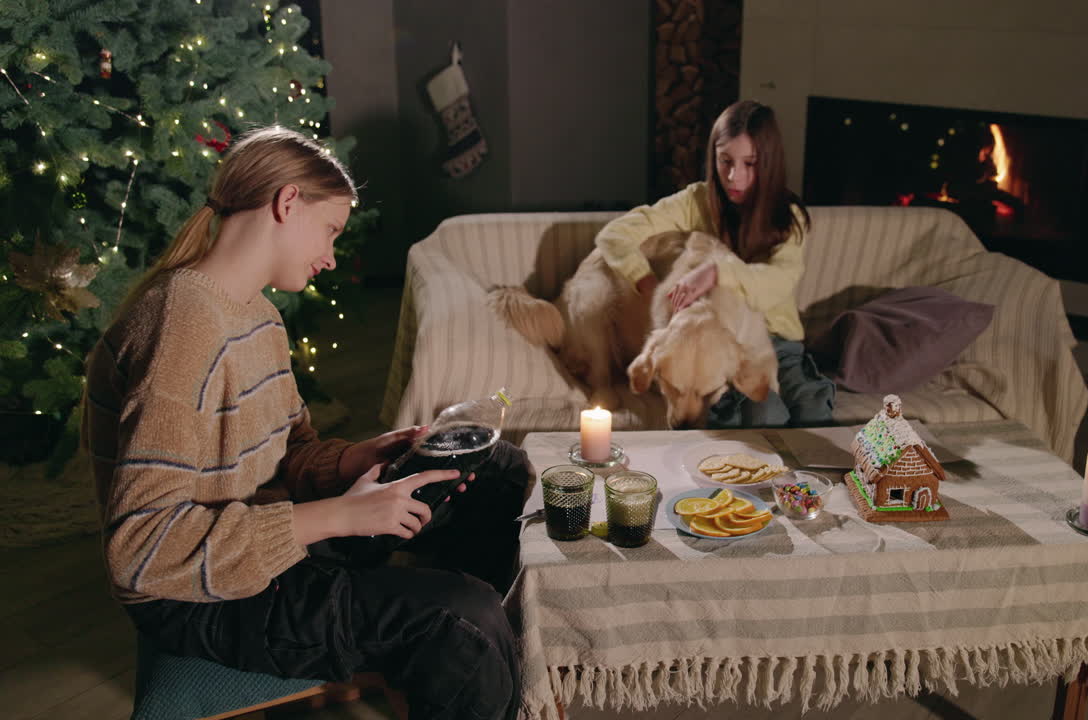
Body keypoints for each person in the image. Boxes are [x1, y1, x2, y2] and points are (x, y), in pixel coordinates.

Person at [82, 126, 527, 720]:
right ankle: (458, 643)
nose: (331, 256)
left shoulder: (259, 316)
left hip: (271, 539)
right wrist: (342, 515)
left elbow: (288, 453)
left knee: (496, 468)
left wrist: (359, 457)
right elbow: (143, 549)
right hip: (202, 596)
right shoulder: (182, 321)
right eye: (331, 230)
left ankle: (462, 657)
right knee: (462, 622)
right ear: (287, 203)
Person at [596, 100, 835, 427]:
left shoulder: (788, 217)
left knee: (813, 412)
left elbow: (779, 282)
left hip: (779, 344)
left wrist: (715, 272)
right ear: (714, 158)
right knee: (766, 414)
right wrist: (648, 284)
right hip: (714, 348)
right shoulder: (698, 201)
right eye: (725, 161)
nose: (734, 177)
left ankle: (836, 464)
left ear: (769, 162)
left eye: (750, 163)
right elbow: (615, 235)